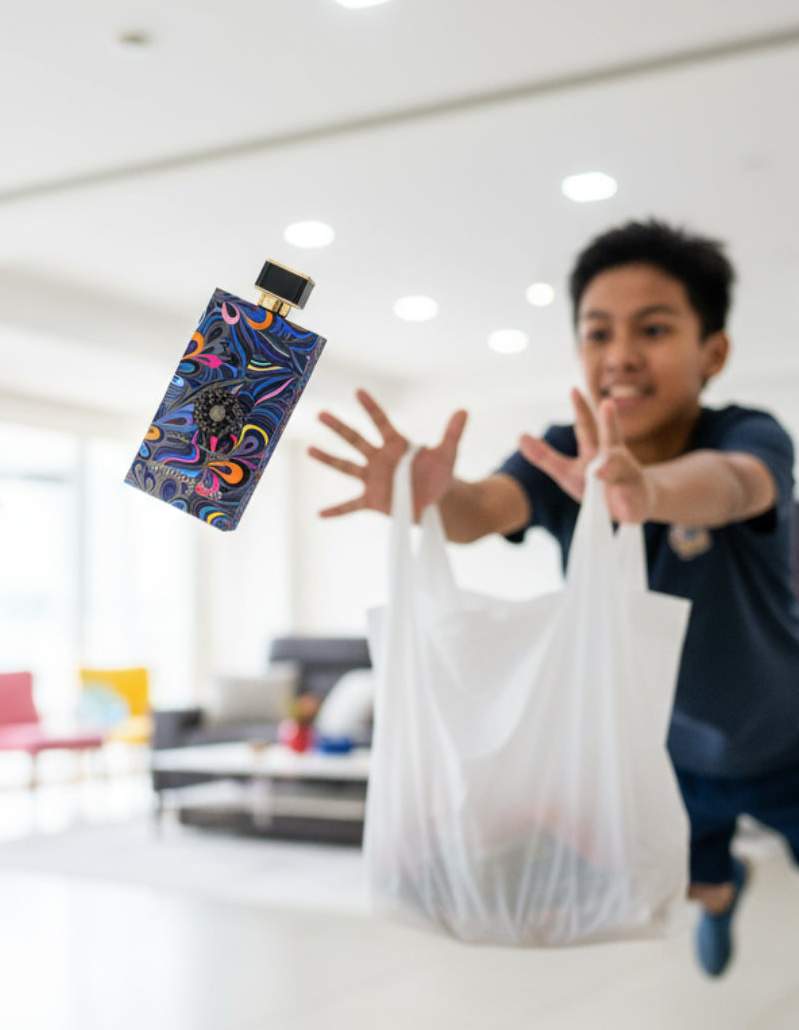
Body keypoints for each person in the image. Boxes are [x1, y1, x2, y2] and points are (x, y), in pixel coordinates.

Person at [309, 219, 799, 978]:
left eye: (654, 329)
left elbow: (736, 486)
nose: (620, 354)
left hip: (785, 739)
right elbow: (484, 508)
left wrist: (645, 490)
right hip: (661, 752)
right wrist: (433, 497)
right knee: (697, 883)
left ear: (714, 353)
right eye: (598, 332)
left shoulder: (747, 433)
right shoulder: (564, 450)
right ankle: (722, 893)